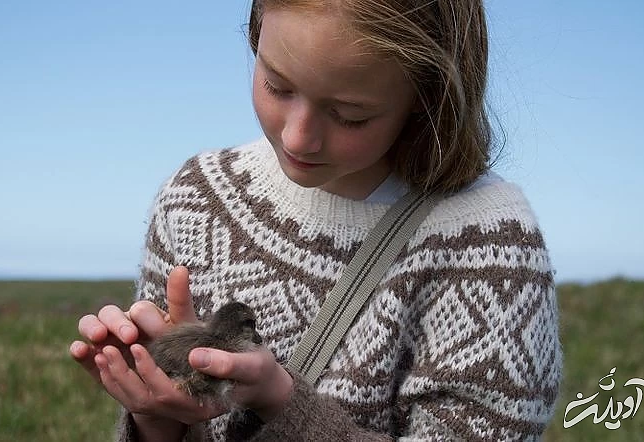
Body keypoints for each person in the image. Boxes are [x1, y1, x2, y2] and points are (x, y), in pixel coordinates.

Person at [70, 0, 562, 440]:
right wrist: (156, 416)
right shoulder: (197, 198)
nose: (298, 137)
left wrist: (283, 404)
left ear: (428, 97)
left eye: (350, 115)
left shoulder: (488, 244)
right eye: (277, 85)